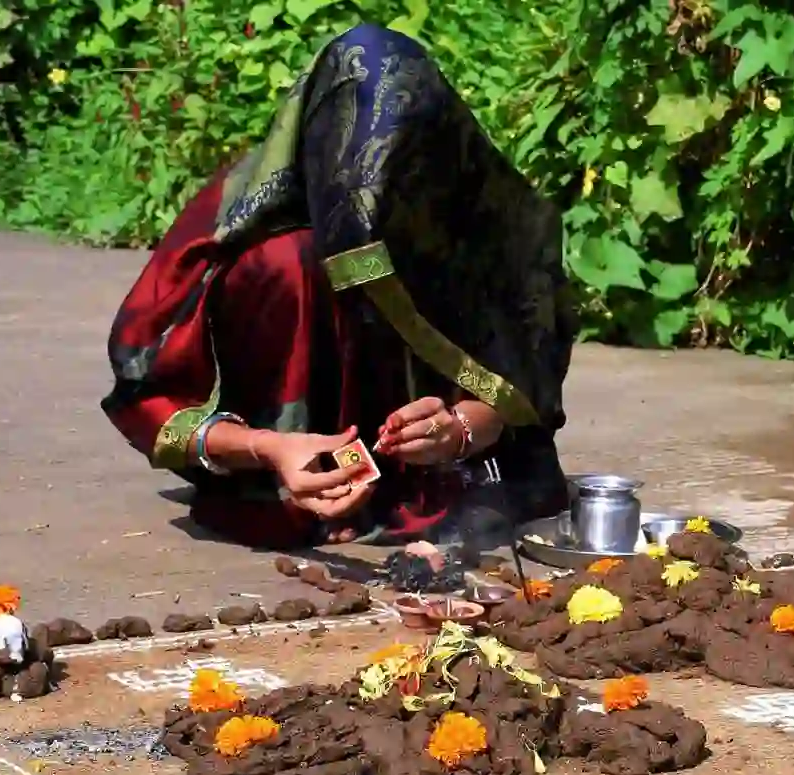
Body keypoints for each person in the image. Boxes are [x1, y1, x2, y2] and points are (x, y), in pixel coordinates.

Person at [101, 24, 573, 551]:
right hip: (269, 464)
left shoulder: (484, 220)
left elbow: (524, 386)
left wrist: (461, 428)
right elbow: (147, 393)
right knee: (286, 263)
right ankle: (290, 489)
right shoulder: (233, 230)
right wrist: (266, 447)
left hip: (440, 475)